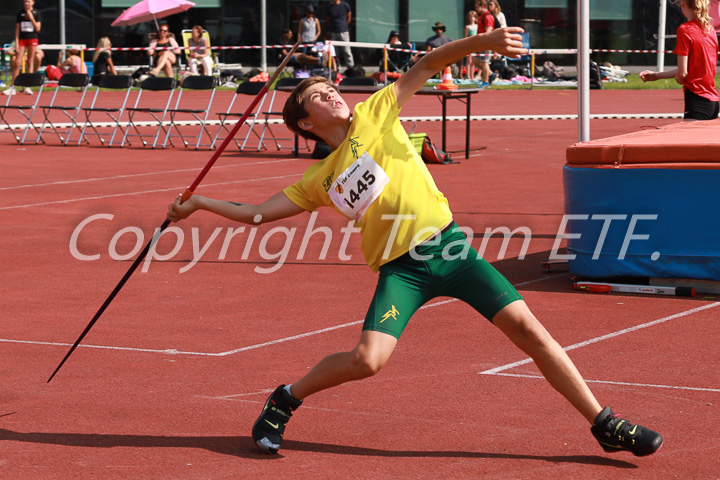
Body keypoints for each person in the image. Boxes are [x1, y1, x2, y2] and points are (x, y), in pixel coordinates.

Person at [167, 26, 664, 459]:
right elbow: (256, 215)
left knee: (530, 332)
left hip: (449, 249)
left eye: (328, 87)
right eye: (317, 96)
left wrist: (485, 42)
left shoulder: (376, 112)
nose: (331, 94)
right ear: (304, 123)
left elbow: (427, 62)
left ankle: (604, 423)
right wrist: (201, 204)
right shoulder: (318, 178)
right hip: (401, 270)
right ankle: (285, 398)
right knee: (368, 361)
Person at [640, 0, 719, 120]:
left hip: (696, 99)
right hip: (713, 102)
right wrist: (656, 76)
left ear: (683, 5)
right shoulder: (710, 30)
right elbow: (690, 69)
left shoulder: (685, 30)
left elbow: (682, 74)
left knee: (686, 138)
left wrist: (680, 78)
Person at [4, 0, 41, 96]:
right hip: (22, 40)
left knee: (30, 61)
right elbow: (17, 29)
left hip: (32, 39)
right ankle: (12, 87)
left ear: (33, 2)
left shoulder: (36, 13)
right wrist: (16, 43)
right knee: (17, 62)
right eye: (25, 2)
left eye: (28, 2)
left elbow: (37, 28)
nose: (26, 4)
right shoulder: (20, 13)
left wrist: (30, 15)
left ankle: (28, 86)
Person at [325, 0, 355, 69]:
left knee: (347, 50)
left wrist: (345, 26)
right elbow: (328, 19)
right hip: (333, 32)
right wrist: (331, 28)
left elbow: (349, 16)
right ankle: (337, 69)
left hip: (343, 31)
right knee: (335, 52)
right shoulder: (329, 7)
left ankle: (351, 68)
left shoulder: (345, 5)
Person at [475, 0, 497, 85]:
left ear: (483, 6)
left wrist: (485, 42)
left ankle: (485, 81)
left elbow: (488, 31)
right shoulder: (482, 16)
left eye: (477, 7)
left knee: (484, 62)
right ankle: (491, 74)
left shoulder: (488, 16)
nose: (476, 9)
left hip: (485, 43)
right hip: (480, 42)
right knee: (476, 61)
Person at [464, 11, 479, 80]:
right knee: (468, 61)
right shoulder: (468, 27)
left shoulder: (477, 26)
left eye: (473, 17)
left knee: (473, 61)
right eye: (470, 17)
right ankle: (468, 76)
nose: (472, 18)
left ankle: (472, 76)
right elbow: (466, 37)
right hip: (469, 44)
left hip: (476, 44)